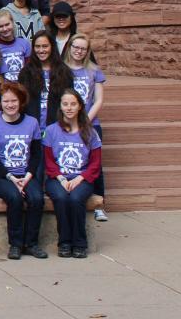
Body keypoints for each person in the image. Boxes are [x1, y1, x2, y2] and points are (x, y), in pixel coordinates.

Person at [0, 81, 47, 260]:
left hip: (26, 175)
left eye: (14, 101)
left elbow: (36, 155)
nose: (10, 105)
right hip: (2, 177)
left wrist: (27, 177)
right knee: (15, 197)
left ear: (20, 101)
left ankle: (32, 243)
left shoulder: (32, 123)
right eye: (6, 101)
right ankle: (16, 244)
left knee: (36, 198)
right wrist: (11, 178)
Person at [44, 89, 102, 257]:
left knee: (76, 199)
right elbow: (48, 162)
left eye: (73, 104)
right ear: (60, 107)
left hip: (82, 179)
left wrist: (80, 178)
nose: (69, 108)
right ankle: (64, 242)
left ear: (80, 107)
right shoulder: (51, 131)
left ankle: (79, 244)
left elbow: (95, 163)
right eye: (65, 104)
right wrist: (61, 179)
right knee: (61, 198)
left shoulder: (90, 132)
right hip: (57, 179)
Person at [65, 33, 108, 221]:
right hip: (67, 123)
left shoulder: (94, 70)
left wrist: (85, 120)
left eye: (83, 48)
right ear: (70, 47)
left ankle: (98, 204)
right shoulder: (62, 69)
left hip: (90, 124)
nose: (79, 51)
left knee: (94, 163)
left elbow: (98, 100)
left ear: (87, 50)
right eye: (76, 47)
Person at [18, 30, 72, 130]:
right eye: (37, 46)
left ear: (52, 46)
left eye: (45, 46)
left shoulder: (64, 72)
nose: (41, 50)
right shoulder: (26, 73)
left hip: (57, 128)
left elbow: (69, 101)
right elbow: (22, 102)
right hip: (32, 129)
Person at [0, 9, 33, 81]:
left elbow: (29, 70)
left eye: (7, 24)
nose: (5, 29)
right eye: (0, 26)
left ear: (12, 22)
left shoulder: (25, 44)